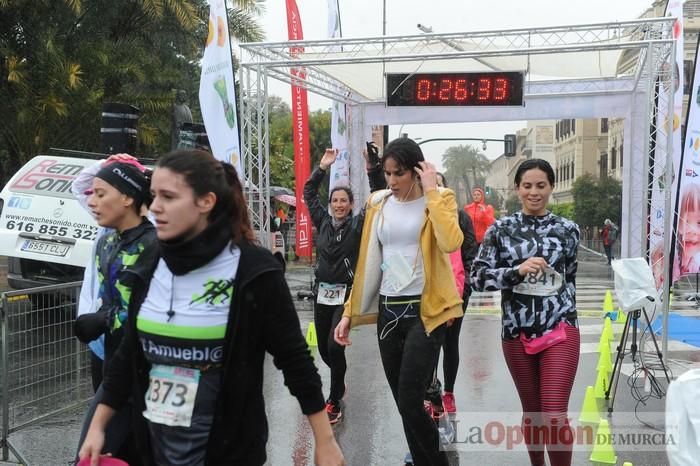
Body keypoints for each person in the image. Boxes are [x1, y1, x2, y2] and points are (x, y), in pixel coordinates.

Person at [79, 149, 344, 466]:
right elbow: (129, 353)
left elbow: (294, 360)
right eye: (153, 196)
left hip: (228, 452)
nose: (155, 207)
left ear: (206, 202)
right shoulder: (150, 264)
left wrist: (324, 441)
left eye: (168, 196)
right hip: (155, 451)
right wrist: (98, 426)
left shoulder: (253, 270)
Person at [334, 138, 463, 466]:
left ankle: (438, 462)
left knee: (409, 400)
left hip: (425, 309)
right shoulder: (379, 202)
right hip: (389, 310)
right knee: (402, 401)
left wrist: (432, 191)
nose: (391, 181)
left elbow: (451, 242)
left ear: (417, 171)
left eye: (399, 173)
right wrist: (350, 311)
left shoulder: (440, 198)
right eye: (388, 173)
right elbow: (367, 261)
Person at [470, 158, 580, 466]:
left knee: (554, 415)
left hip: (560, 327)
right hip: (517, 331)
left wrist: (561, 310)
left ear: (551, 188)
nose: (534, 192)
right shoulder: (501, 230)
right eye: (527, 186)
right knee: (533, 415)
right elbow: (478, 278)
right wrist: (515, 272)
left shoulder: (568, 230)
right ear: (517, 189)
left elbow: (569, 278)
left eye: (541, 186)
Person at [73, 156, 157, 463]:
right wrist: (101, 318)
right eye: (91, 194)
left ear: (127, 197)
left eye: (100, 194)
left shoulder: (155, 246)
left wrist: (107, 317)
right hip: (117, 371)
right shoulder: (106, 243)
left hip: (155, 379)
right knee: (91, 457)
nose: (92, 202)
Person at [303, 144, 385, 424]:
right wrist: (323, 167)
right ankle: (339, 382)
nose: (339, 205)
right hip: (321, 294)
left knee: (335, 346)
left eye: (343, 201)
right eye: (335, 201)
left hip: (345, 296)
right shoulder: (322, 221)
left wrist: (372, 168)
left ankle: (334, 399)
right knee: (326, 351)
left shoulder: (357, 226)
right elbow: (308, 192)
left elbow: (378, 197)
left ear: (350, 205)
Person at [433, 172, 478, 414]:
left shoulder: (460, 217)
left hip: (457, 290)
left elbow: (470, 254)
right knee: (427, 344)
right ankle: (431, 390)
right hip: (428, 292)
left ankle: (448, 392)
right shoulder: (423, 216)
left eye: (438, 185)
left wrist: (465, 289)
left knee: (450, 343)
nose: (435, 189)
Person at [677, 183, 700, 276]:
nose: (692, 230)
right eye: (686, 221)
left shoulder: (695, 266)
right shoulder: (666, 257)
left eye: (699, 223)